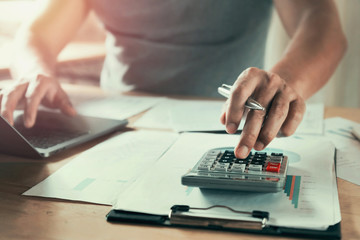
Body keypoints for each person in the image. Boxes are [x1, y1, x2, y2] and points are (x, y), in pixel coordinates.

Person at [0, 0, 346, 158]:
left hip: (226, 126)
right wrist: (35, 71)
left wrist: (284, 81)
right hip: (115, 128)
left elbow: (323, 26)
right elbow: (37, 34)